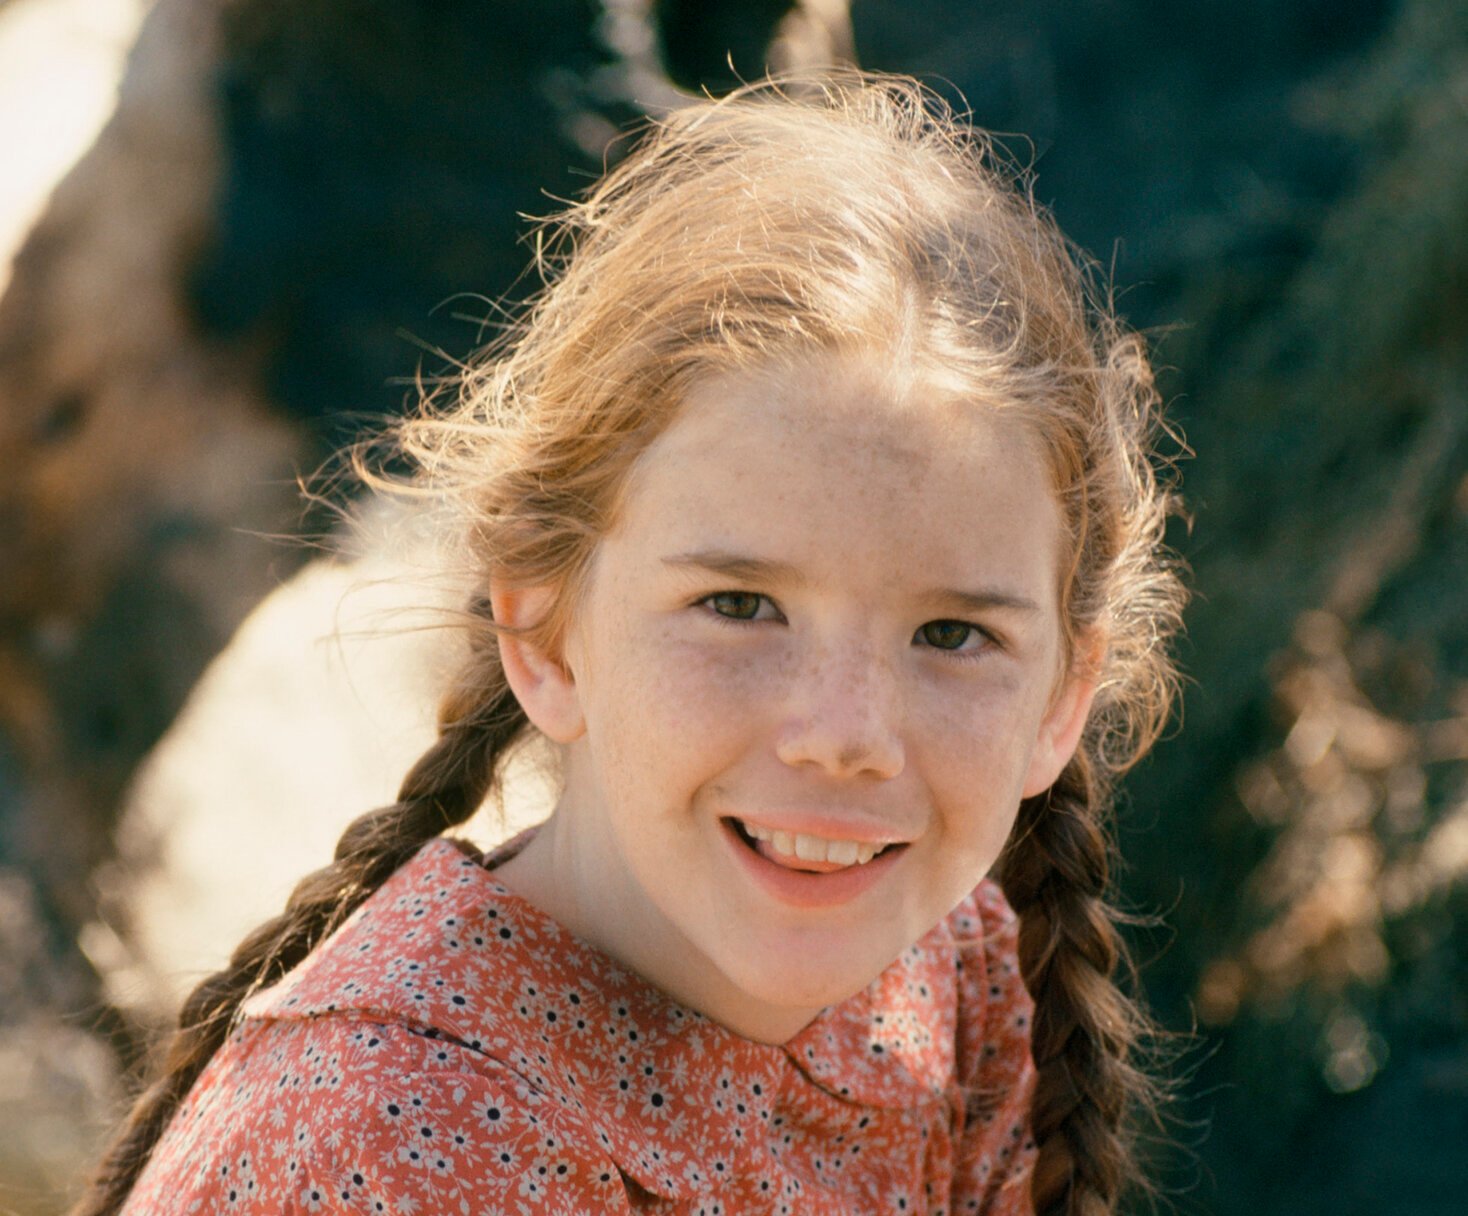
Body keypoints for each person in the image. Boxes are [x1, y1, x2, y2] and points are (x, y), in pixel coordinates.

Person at [74, 71, 1185, 1216]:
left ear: (1064, 695)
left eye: (951, 633)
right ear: (544, 630)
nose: (845, 735)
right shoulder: (389, 1144)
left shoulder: (951, 978)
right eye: (739, 605)